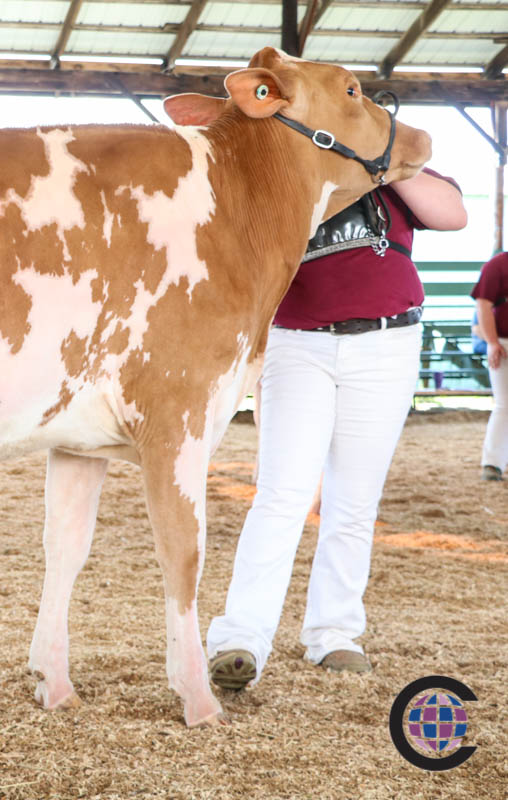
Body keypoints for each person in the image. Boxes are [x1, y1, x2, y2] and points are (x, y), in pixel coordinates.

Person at [206, 168, 467, 689]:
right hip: (296, 340)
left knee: (354, 499)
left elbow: (453, 214)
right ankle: (241, 638)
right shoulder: (281, 172)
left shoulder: (393, 165)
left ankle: (334, 633)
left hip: (388, 340)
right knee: (281, 494)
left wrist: (383, 159)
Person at [471, 250, 508, 481]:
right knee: (505, 404)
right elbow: (483, 304)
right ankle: (493, 464)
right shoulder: (498, 265)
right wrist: (492, 342)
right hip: (504, 344)